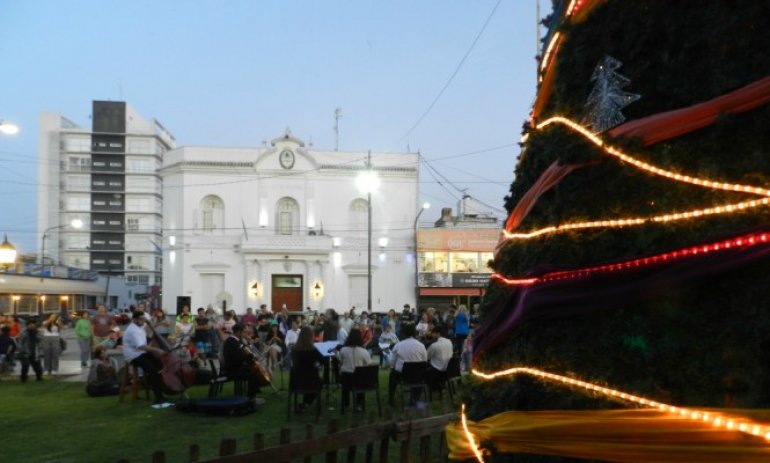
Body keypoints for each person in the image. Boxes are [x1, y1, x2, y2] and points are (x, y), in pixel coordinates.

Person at [122, 311, 172, 408]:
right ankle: (158, 397)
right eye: (141, 319)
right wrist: (157, 349)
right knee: (153, 371)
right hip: (134, 356)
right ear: (134, 319)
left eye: (144, 319)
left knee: (159, 365)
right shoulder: (133, 330)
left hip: (141, 353)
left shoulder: (140, 327)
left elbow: (148, 337)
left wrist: (150, 324)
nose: (143, 321)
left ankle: (161, 393)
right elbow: (141, 346)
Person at [221, 323, 267, 405]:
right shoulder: (231, 342)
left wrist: (250, 356)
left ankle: (253, 395)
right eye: (244, 332)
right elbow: (235, 359)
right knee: (253, 374)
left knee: (254, 371)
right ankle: (251, 399)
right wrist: (248, 358)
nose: (245, 334)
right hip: (232, 370)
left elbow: (243, 354)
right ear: (238, 332)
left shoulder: (237, 341)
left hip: (237, 367)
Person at [388, 323, 427, 406]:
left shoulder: (398, 345)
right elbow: (424, 360)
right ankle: (415, 398)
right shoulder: (421, 346)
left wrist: (393, 367)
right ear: (415, 333)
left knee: (392, 374)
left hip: (403, 376)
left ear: (404, 333)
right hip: (418, 375)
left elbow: (392, 362)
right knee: (419, 373)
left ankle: (391, 398)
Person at [289, 326, 324, 412]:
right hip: (311, 381)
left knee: (308, 379)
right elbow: (324, 361)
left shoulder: (294, 349)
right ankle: (306, 403)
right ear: (310, 337)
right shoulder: (314, 350)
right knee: (320, 382)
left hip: (296, 381)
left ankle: (304, 404)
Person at [338, 328, 372, 411]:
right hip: (359, 379)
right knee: (361, 380)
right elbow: (369, 363)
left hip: (346, 379)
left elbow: (341, 362)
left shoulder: (343, 350)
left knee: (345, 380)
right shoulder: (363, 351)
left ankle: (346, 404)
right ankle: (359, 404)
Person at [425, 325, 454, 393]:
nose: (432, 335)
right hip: (448, 369)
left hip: (437, 371)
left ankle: (434, 387)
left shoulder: (434, 345)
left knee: (425, 370)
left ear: (438, 333)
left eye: (433, 333)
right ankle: (440, 385)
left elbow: (426, 357)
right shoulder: (449, 342)